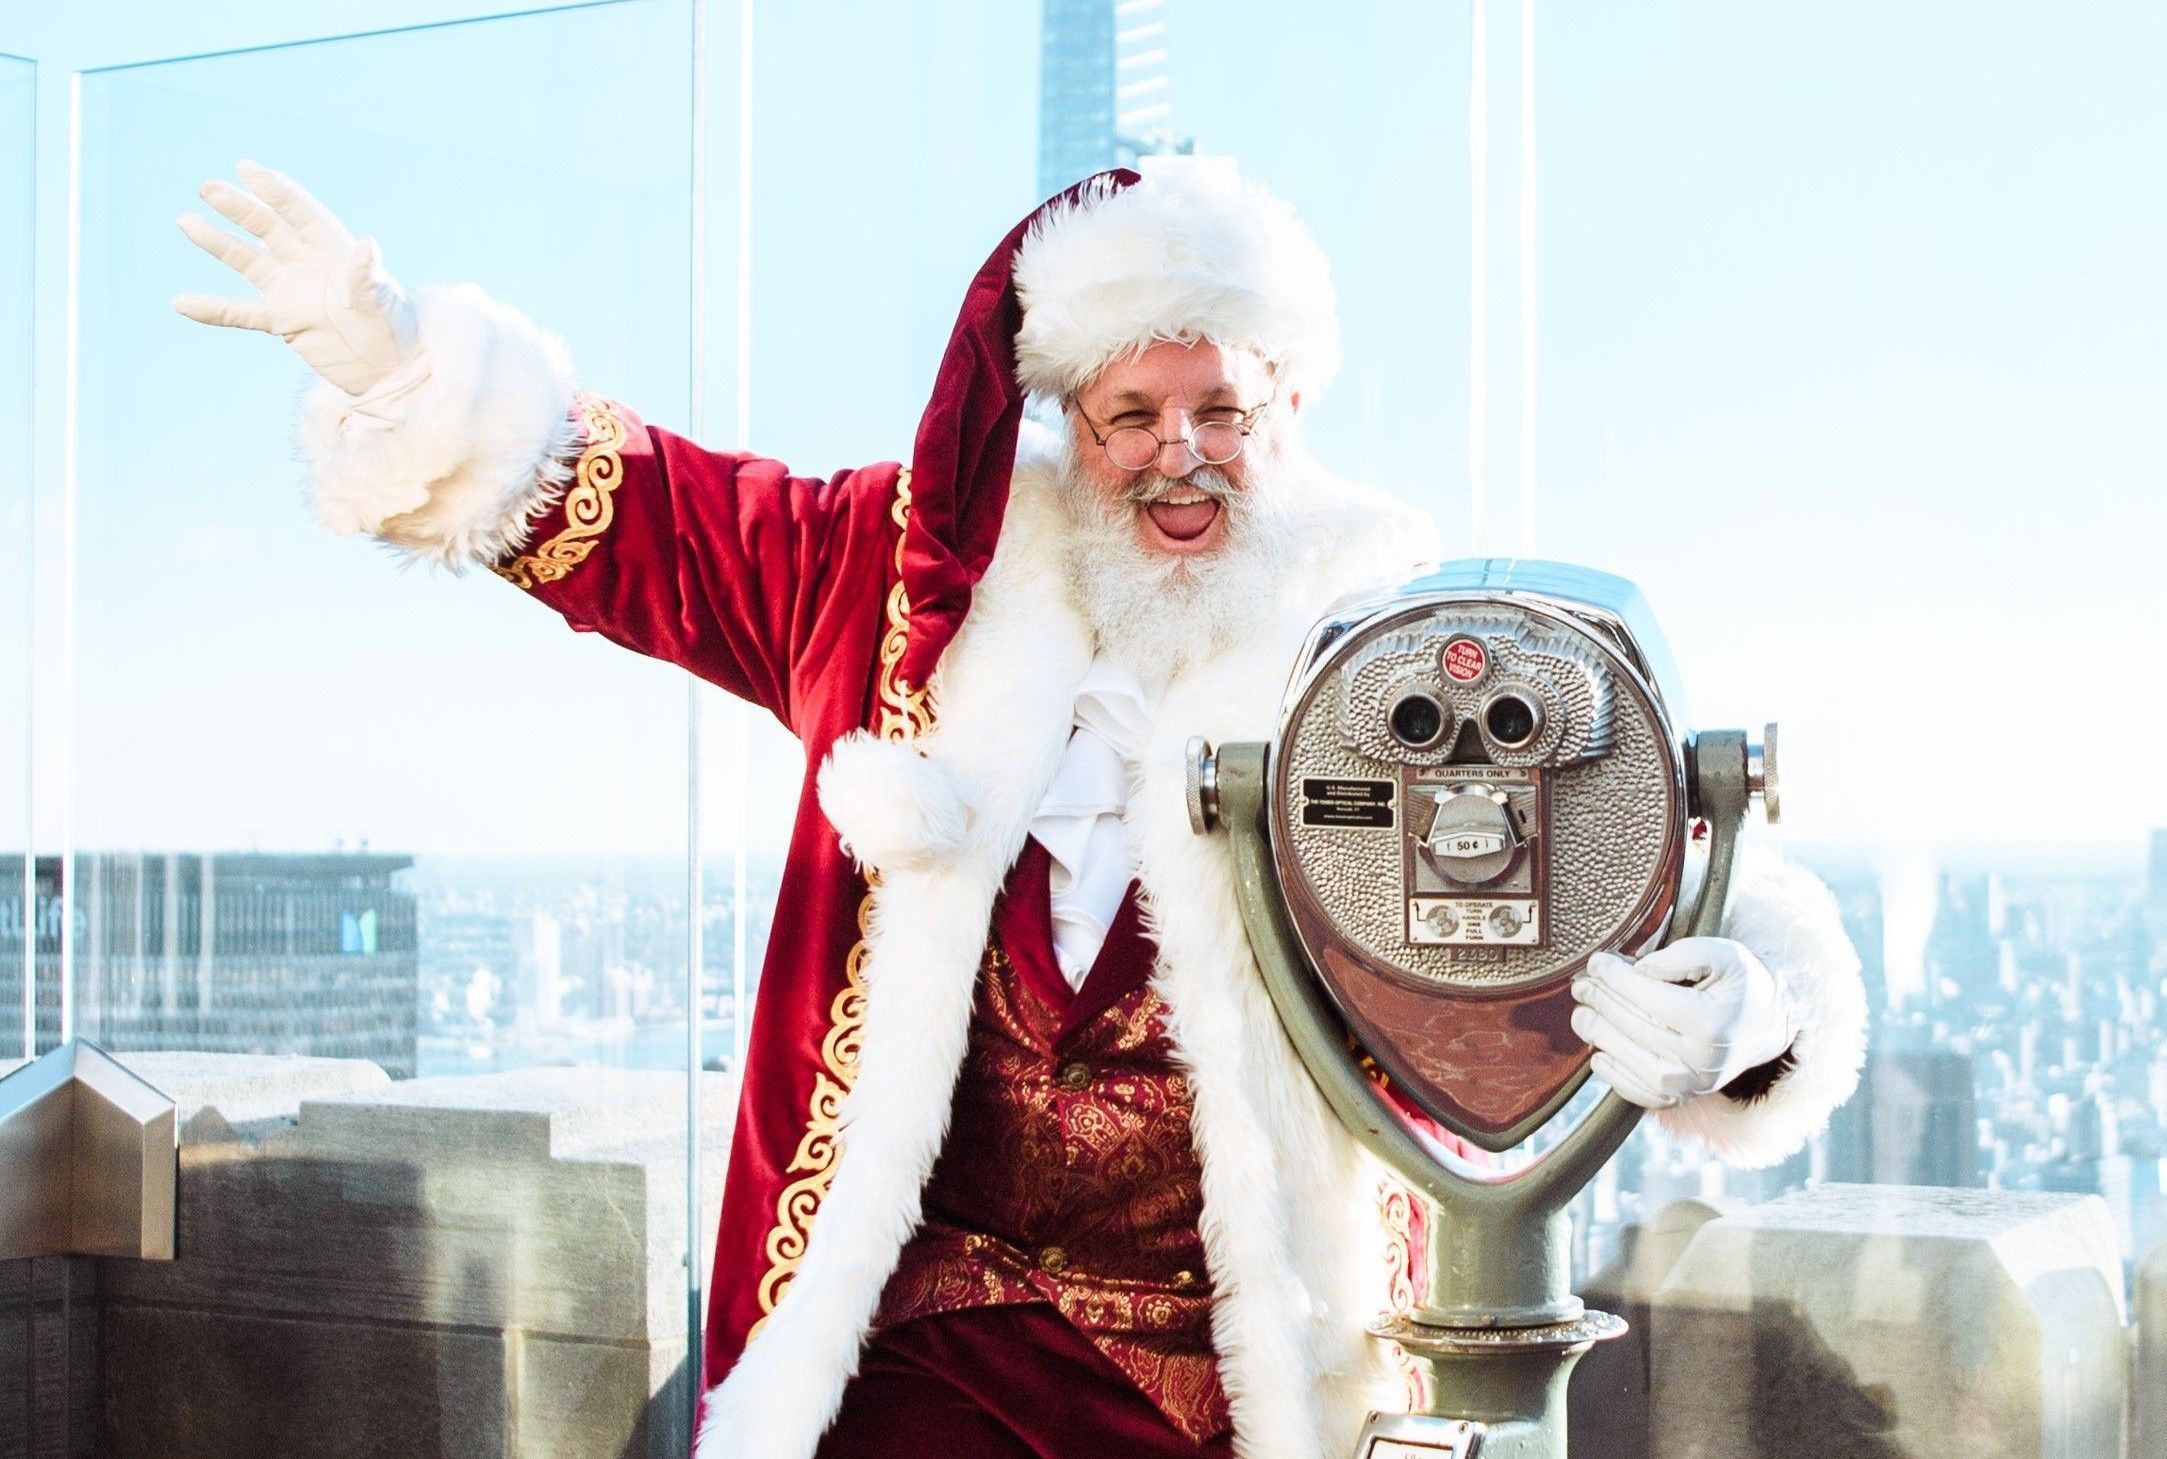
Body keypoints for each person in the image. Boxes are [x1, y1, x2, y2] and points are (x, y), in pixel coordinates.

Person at [173, 159, 1869, 1459]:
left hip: (1242, 1369)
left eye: (1223, 409)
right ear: (1067, 416)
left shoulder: (1401, 637)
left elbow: (1647, 841)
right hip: (925, 1337)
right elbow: (652, 520)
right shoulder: (908, 580)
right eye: (1132, 416)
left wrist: (1747, 1005)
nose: (1180, 455)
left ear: (1294, 404)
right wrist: (396, 360)